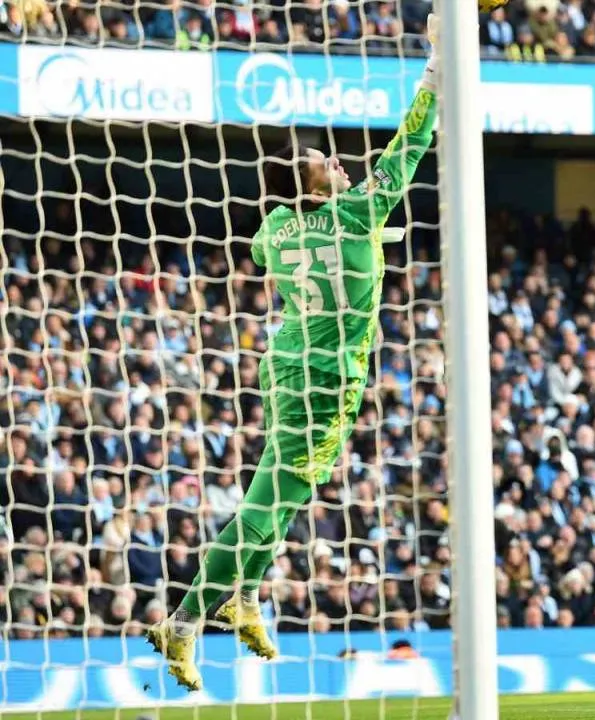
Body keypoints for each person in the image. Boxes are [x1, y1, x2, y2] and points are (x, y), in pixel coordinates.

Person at [145, 16, 445, 692]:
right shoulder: (361, 210)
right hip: (328, 380)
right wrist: (436, 66)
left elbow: (265, 246)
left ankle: (247, 598)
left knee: (282, 499)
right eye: (323, 162)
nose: (338, 162)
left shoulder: (276, 229)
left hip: (284, 367)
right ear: (311, 186)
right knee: (265, 505)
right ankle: (185, 620)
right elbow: (412, 139)